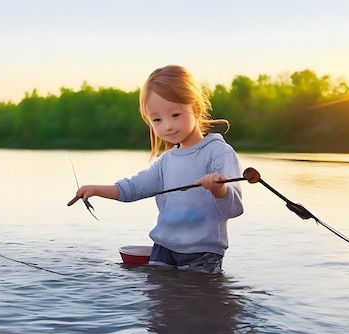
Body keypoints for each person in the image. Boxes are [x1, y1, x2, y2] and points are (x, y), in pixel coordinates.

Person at [68, 65, 243, 274]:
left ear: (195, 107)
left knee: (198, 303)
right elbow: (133, 188)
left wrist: (218, 189)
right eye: (157, 119)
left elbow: (234, 208)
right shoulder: (166, 161)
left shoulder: (218, 152)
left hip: (202, 252)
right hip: (162, 249)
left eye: (175, 114)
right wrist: (97, 189)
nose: (167, 126)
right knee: (162, 304)